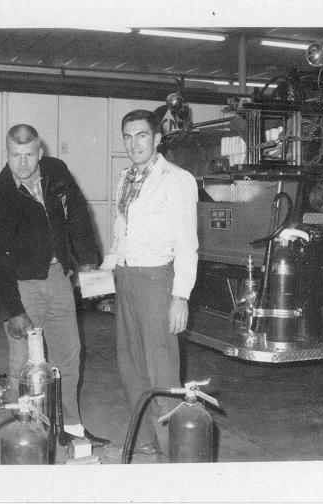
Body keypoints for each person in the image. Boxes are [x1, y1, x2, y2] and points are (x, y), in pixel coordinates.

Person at [0, 124, 110, 448]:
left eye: (29, 155)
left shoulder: (56, 172)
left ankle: (72, 430)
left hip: (59, 278)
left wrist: (87, 260)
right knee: (24, 364)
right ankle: (24, 435)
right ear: (7, 154)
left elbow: (79, 214)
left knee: (69, 356)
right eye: (16, 156)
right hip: (23, 285)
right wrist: (12, 310)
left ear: (41, 153)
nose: (23, 163)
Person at [108, 109, 198, 459]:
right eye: (128, 137)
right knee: (130, 365)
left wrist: (180, 296)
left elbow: (187, 244)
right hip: (126, 278)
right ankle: (151, 436)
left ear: (156, 138)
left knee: (161, 369)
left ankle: (173, 449)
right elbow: (122, 230)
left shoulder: (176, 179)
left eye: (141, 135)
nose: (134, 144)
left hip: (158, 280)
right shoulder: (125, 177)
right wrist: (107, 265)